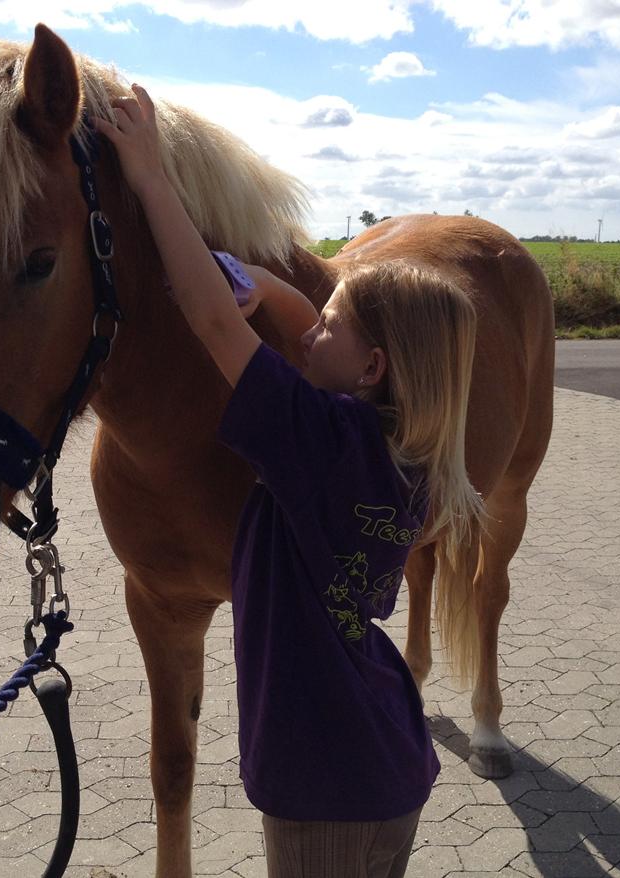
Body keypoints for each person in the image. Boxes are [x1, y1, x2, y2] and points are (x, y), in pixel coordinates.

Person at [94, 84, 484, 878]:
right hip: (382, 760)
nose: (308, 330)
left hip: (325, 777)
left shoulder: (316, 442)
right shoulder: (397, 453)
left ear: (371, 368)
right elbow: (313, 331)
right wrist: (269, 287)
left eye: (328, 324)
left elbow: (209, 322)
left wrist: (149, 177)